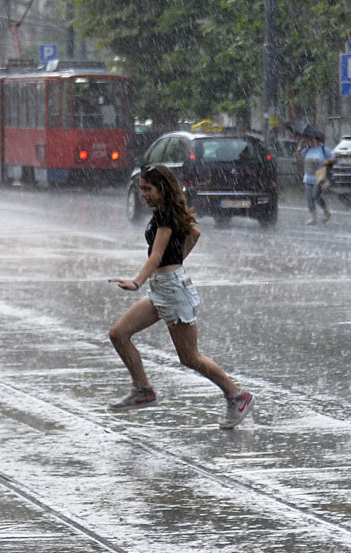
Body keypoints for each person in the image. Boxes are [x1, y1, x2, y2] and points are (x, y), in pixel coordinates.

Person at [107, 164, 255, 430]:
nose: (143, 194)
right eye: (141, 188)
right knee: (118, 334)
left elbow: (156, 255)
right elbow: (194, 234)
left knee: (190, 357)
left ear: (162, 188)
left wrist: (137, 281)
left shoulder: (165, 214)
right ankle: (143, 390)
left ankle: (237, 395)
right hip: (163, 288)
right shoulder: (167, 212)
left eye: (147, 189)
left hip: (173, 291)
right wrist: (176, 261)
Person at [301, 129, 335, 225]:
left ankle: (326, 212)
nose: (310, 141)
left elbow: (334, 158)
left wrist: (326, 161)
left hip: (318, 177)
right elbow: (300, 158)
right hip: (307, 177)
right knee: (309, 198)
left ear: (318, 140)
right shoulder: (307, 150)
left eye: (312, 139)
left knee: (315, 195)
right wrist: (299, 148)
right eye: (309, 139)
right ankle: (313, 219)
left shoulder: (323, 149)